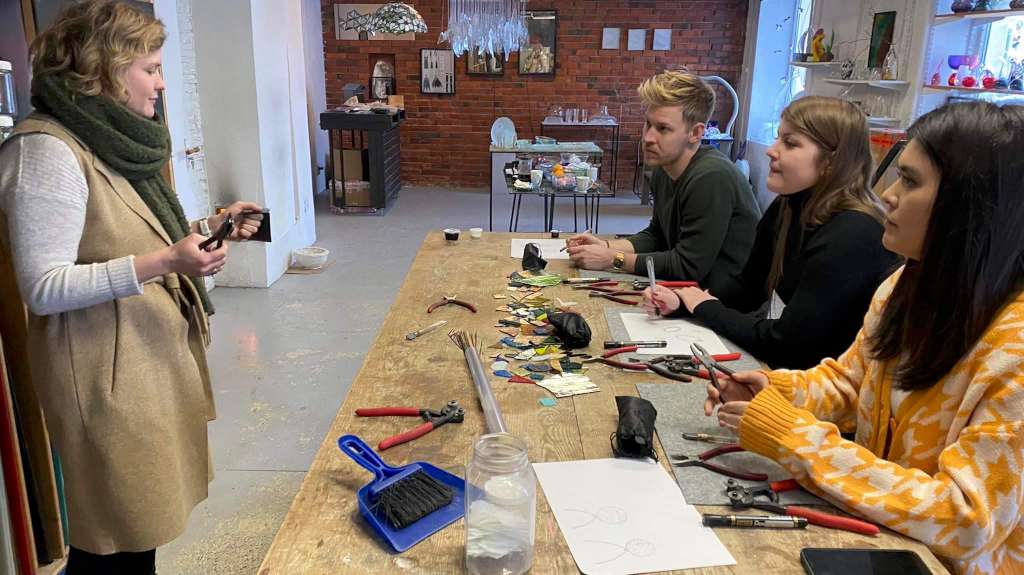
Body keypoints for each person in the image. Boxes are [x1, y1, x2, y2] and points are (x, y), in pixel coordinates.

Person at [704, 101, 1024, 574]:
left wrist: (792, 436)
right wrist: (776, 390)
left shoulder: (1014, 350)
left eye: (910, 181)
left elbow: (966, 518)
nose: (888, 195)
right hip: (884, 542)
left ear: (970, 204)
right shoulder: (903, 286)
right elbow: (853, 385)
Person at [0, 2, 263, 573]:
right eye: (151, 69)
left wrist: (209, 228)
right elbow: (43, 286)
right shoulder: (46, 149)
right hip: (103, 377)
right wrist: (165, 261)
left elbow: (129, 230)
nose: (161, 84)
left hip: (144, 363)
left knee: (137, 536)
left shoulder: (107, 139)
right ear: (104, 68)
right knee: (114, 545)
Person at [641, 97, 899, 368]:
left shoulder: (851, 234)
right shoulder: (788, 206)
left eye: (790, 143)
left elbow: (785, 343)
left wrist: (704, 307)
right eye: (778, 138)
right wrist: (683, 301)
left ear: (832, 161)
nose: (772, 151)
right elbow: (748, 289)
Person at [566, 70, 758, 293]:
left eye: (663, 129)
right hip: (689, 293)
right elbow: (657, 235)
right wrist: (606, 246)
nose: (648, 138)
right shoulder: (664, 168)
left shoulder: (711, 177)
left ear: (696, 133)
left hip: (724, 303)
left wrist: (613, 259)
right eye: (648, 124)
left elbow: (687, 267)